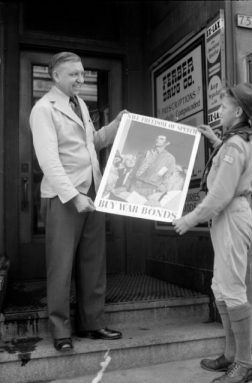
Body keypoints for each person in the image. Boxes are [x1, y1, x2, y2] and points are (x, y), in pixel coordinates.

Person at [29, 51, 127, 352]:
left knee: (93, 264)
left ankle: (93, 324)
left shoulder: (81, 104)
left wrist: (116, 127)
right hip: (64, 198)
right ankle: (60, 332)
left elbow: (91, 143)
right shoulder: (43, 109)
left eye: (82, 73)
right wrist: (73, 197)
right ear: (55, 76)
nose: (80, 79)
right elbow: (48, 161)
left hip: (93, 194)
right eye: (73, 74)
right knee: (61, 266)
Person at [173, 83, 252, 383]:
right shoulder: (235, 139)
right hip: (228, 217)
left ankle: (244, 362)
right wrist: (215, 141)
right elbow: (228, 170)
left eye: (223, 107)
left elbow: (221, 193)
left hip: (231, 216)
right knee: (220, 286)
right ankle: (230, 354)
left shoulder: (235, 144)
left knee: (232, 289)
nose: (219, 111)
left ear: (238, 111)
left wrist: (190, 220)